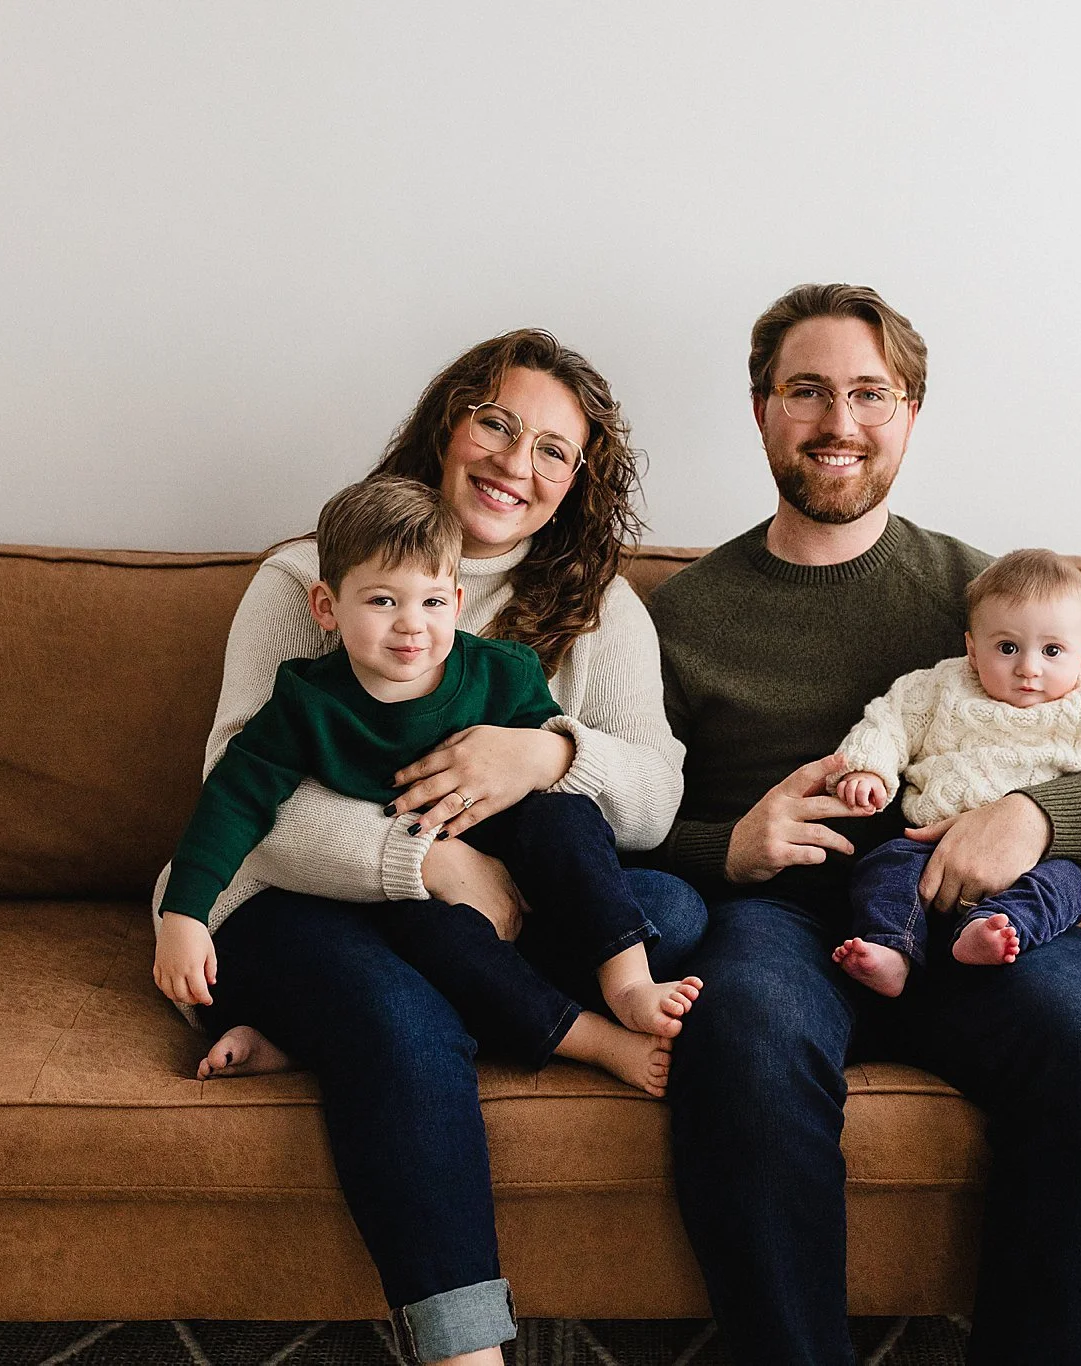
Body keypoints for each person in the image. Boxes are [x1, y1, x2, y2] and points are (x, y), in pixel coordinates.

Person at [154, 329, 704, 1366]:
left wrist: (543, 756)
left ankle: (299, 1026)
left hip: (477, 921)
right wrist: (431, 862)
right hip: (296, 904)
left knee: (669, 912)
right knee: (398, 1022)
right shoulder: (307, 579)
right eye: (495, 422)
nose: (513, 462)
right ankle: (465, 1354)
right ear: (444, 425)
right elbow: (237, 799)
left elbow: (655, 797)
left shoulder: (596, 607)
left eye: (551, 448)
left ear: (576, 480)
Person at [649, 283, 1081, 1365]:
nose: (838, 423)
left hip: (972, 902)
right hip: (778, 919)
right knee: (738, 1051)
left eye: (868, 394)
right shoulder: (683, 615)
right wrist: (724, 845)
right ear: (759, 410)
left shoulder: (984, 596)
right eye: (806, 391)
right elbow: (619, 809)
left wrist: (1031, 814)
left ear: (909, 414)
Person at [152, 475, 699, 1089]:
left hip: (500, 870)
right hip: (387, 902)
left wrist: (549, 754)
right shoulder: (305, 703)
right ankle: (595, 1042)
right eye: (383, 601)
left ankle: (627, 982)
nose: (412, 626)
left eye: (432, 602)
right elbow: (232, 801)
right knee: (447, 957)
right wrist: (185, 915)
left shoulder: (503, 673)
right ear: (327, 608)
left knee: (568, 816)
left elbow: (554, 808)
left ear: (458, 603)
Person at [827, 547, 1081, 996]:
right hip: (929, 850)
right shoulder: (937, 687)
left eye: (1053, 651)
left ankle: (994, 931)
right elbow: (888, 722)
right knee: (884, 867)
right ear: (973, 649)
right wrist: (868, 770)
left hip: (1042, 862)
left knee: (1066, 887)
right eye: (1007, 648)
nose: (1029, 668)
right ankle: (891, 949)